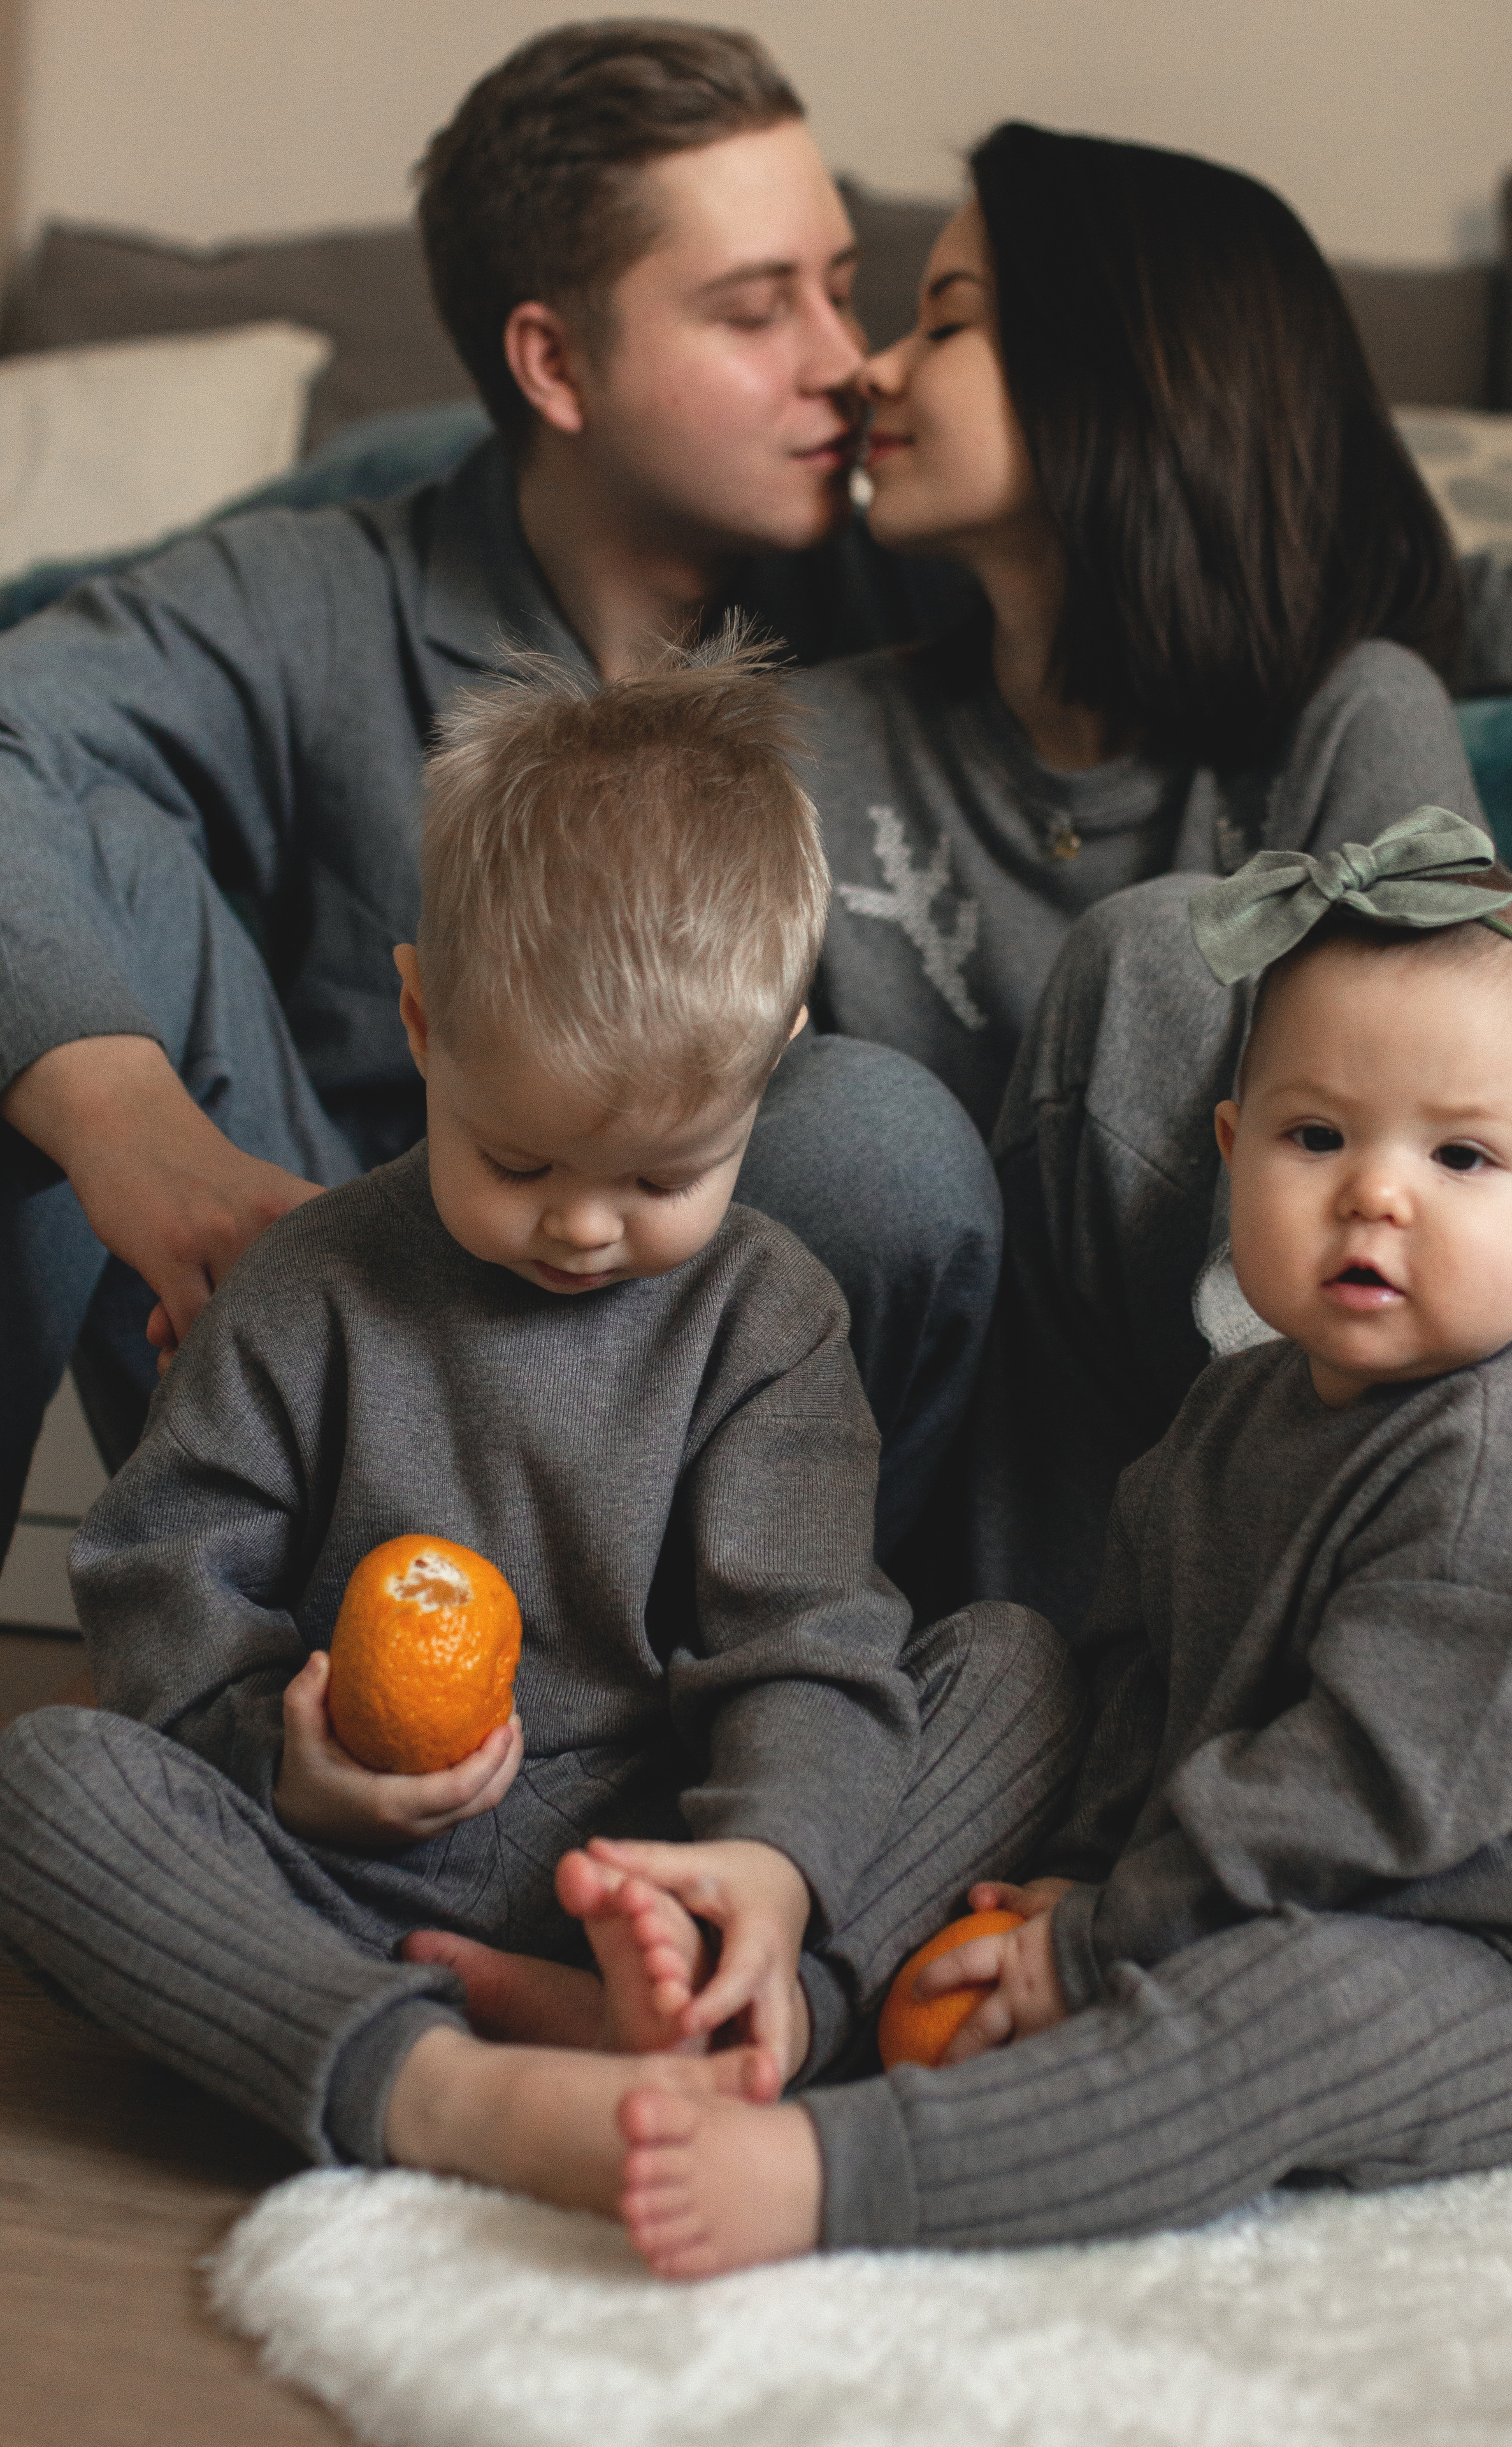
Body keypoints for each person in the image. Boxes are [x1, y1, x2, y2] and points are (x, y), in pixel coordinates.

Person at [0, 649, 1081, 2186]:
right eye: (516, 1165)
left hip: (653, 1856)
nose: (582, 1228)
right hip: (349, 1868)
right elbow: (162, 1575)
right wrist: (283, 1759)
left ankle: (750, 2013)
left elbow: (800, 1644)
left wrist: (762, 1873)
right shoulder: (308, 1283)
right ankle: (429, 2085)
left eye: (659, 1180)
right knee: (49, 1783)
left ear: (767, 1076)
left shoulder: (766, 1319)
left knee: (1013, 1668)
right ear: (424, 1020)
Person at [0, 19, 989, 1565]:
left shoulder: (922, 575)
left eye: (842, 289)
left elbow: (1273, 566)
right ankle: (220, 1643)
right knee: (71, 899)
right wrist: (123, 1119)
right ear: (550, 362)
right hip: (326, 1396)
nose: (843, 362)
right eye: (753, 311)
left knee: (869, 1132)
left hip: (730, 1478)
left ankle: (813, 1694)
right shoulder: (325, 588)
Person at [597, 809, 1512, 2275]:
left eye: (1461, 1157)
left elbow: (1367, 1796)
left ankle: (848, 2173)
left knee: (1290, 2011)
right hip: (1221, 1873)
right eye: (1314, 1136)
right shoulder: (1233, 1411)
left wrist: (1094, 1948)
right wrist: (1077, 1877)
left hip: (1487, 1953)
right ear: (1230, 1157)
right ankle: (775, 2004)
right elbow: (1139, 1675)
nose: (1374, 1193)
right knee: (1016, 1656)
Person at [790, 124, 1480, 1136]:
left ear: (1120, 376)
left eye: (946, 327)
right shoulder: (799, 742)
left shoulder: (1356, 718)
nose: (873, 373)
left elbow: (1428, 1141)